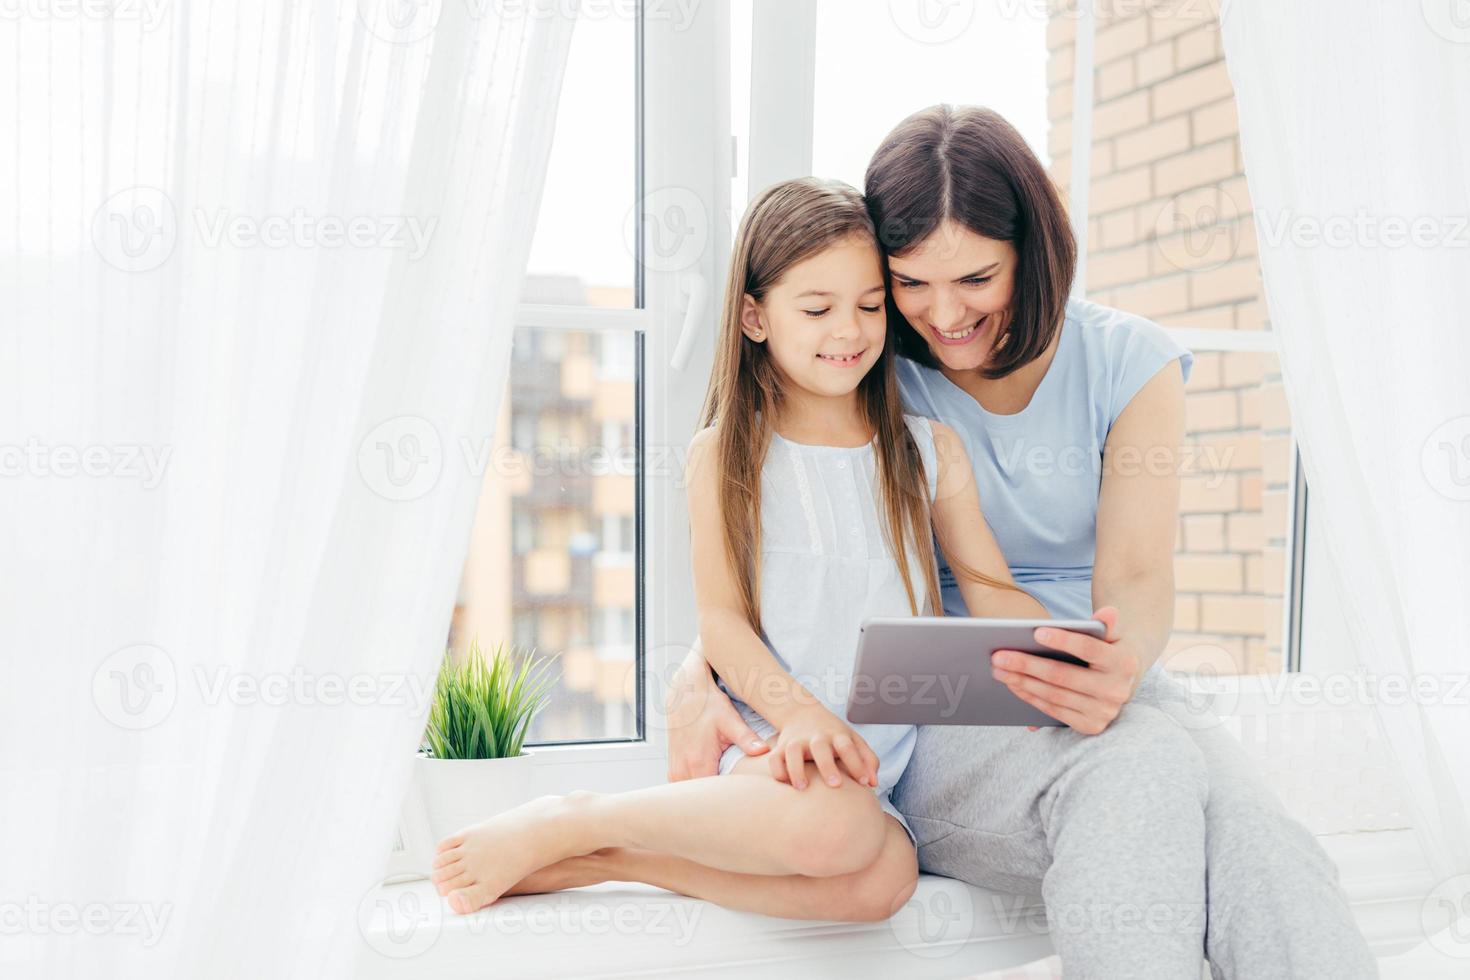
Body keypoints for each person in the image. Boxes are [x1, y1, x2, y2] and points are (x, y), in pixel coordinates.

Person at [664, 106, 1377, 978]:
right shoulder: (871, 357)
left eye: (975, 278)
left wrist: (1118, 661)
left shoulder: (1129, 361)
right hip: (934, 704)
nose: (943, 314)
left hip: (1086, 664)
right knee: (1138, 767)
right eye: (911, 284)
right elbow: (789, 539)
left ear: (1031, 255)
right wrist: (701, 671)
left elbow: (1140, 576)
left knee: (1259, 835)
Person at [430, 176, 1047, 921]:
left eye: (869, 305)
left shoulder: (928, 449)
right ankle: (579, 815)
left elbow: (991, 590)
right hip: (771, 741)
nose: (848, 331)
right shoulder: (724, 454)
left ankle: (605, 861)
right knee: (838, 827)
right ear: (755, 317)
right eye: (817, 309)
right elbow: (722, 623)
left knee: (883, 884)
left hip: (874, 761)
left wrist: (1060, 650)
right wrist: (798, 718)